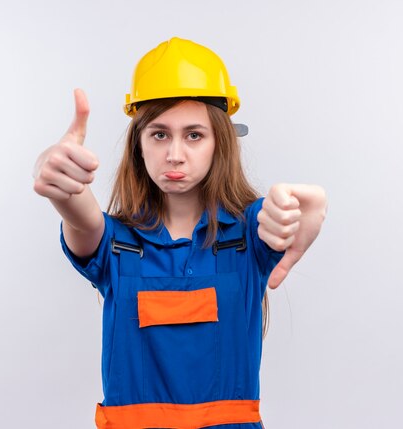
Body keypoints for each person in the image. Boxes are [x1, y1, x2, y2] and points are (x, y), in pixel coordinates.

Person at [33, 37, 327, 429]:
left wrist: (301, 204)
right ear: (138, 144)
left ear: (219, 142)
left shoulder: (248, 237)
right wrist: (53, 173)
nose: (175, 154)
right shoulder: (114, 245)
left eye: (193, 135)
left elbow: (278, 216)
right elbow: (82, 217)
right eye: (159, 134)